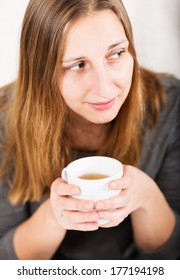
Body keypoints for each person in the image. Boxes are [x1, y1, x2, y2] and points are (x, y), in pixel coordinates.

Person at [0, 0, 180, 260]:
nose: (105, 88)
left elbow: (171, 259)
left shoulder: (168, 105)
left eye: (116, 53)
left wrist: (147, 198)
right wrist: (54, 215)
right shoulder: (6, 120)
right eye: (77, 65)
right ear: (41, 72)